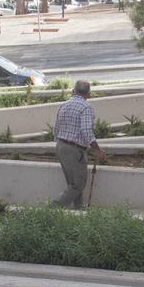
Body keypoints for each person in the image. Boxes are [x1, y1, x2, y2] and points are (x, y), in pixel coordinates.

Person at [52, 80, 107, 208]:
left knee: (73, 183)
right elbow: (86, 130)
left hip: (61, 146)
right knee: (78, 184)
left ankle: (78, 210)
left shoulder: (64, 105)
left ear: (73, 91)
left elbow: (56, 127)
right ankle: (53, 208)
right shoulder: (86, 107)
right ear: (89, 94)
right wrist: (97, 150)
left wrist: (60, 145)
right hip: (75, 149)